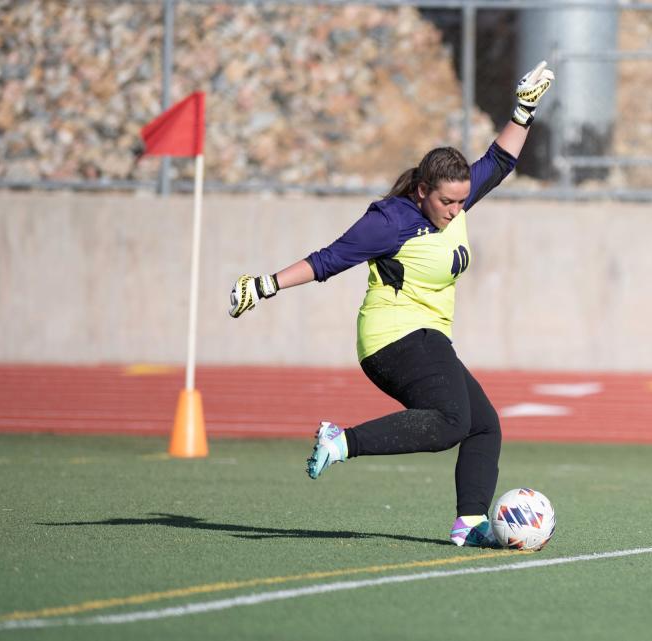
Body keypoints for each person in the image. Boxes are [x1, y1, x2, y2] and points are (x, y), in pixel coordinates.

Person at [229, 61, 554, 547]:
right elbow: (328, 260)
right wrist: (265, 285)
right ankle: (342, 441)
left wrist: (523, 108)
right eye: (447, 202)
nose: (456, 211)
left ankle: (469, 523)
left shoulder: (456, 202)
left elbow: (500, 160)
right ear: (423, 190)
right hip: (393, 337)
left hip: (426, 337)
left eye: (463, 202)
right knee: (450, 422)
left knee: (484, 426)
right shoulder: (390, 221)